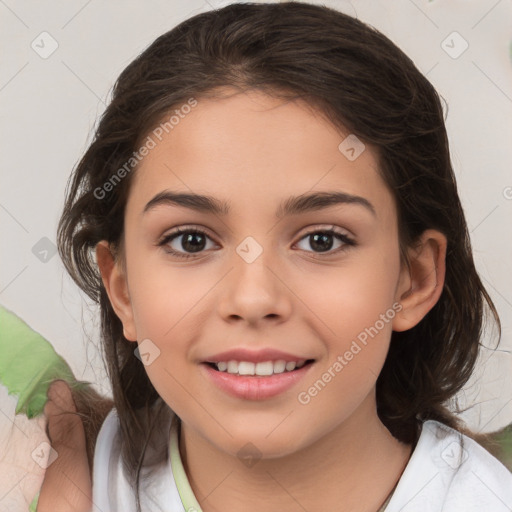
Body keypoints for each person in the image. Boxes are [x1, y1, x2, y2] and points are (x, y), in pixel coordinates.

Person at [38, 2, 512, 511]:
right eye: (191, 241)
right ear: (122, 288)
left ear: (413, 280)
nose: (253, 298)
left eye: (322, 240)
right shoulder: (36, 471)